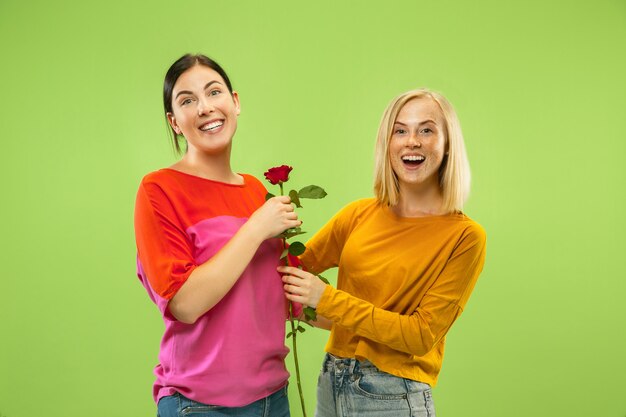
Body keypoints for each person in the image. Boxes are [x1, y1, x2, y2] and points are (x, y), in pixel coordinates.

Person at [278, 88, 487, 417]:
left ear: (448, 146)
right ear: (387, 144)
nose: (411, 141)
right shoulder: (359, 214)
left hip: (393, 393)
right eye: (400, 130)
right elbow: (289, 272)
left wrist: (326, 298)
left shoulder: (464, 237)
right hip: (332, 379)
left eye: (426, 130)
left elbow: (420, 335)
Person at [134, 53, 299, 417]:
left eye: (213, 92)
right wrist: (256, 228)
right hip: (199, 406)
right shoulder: (159, 190)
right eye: (187, 100)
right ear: (174, 122)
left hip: (274, 400)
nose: (205, 107)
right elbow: (185, 304)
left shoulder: (258, 192)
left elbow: (294, 299)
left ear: (235, 102)